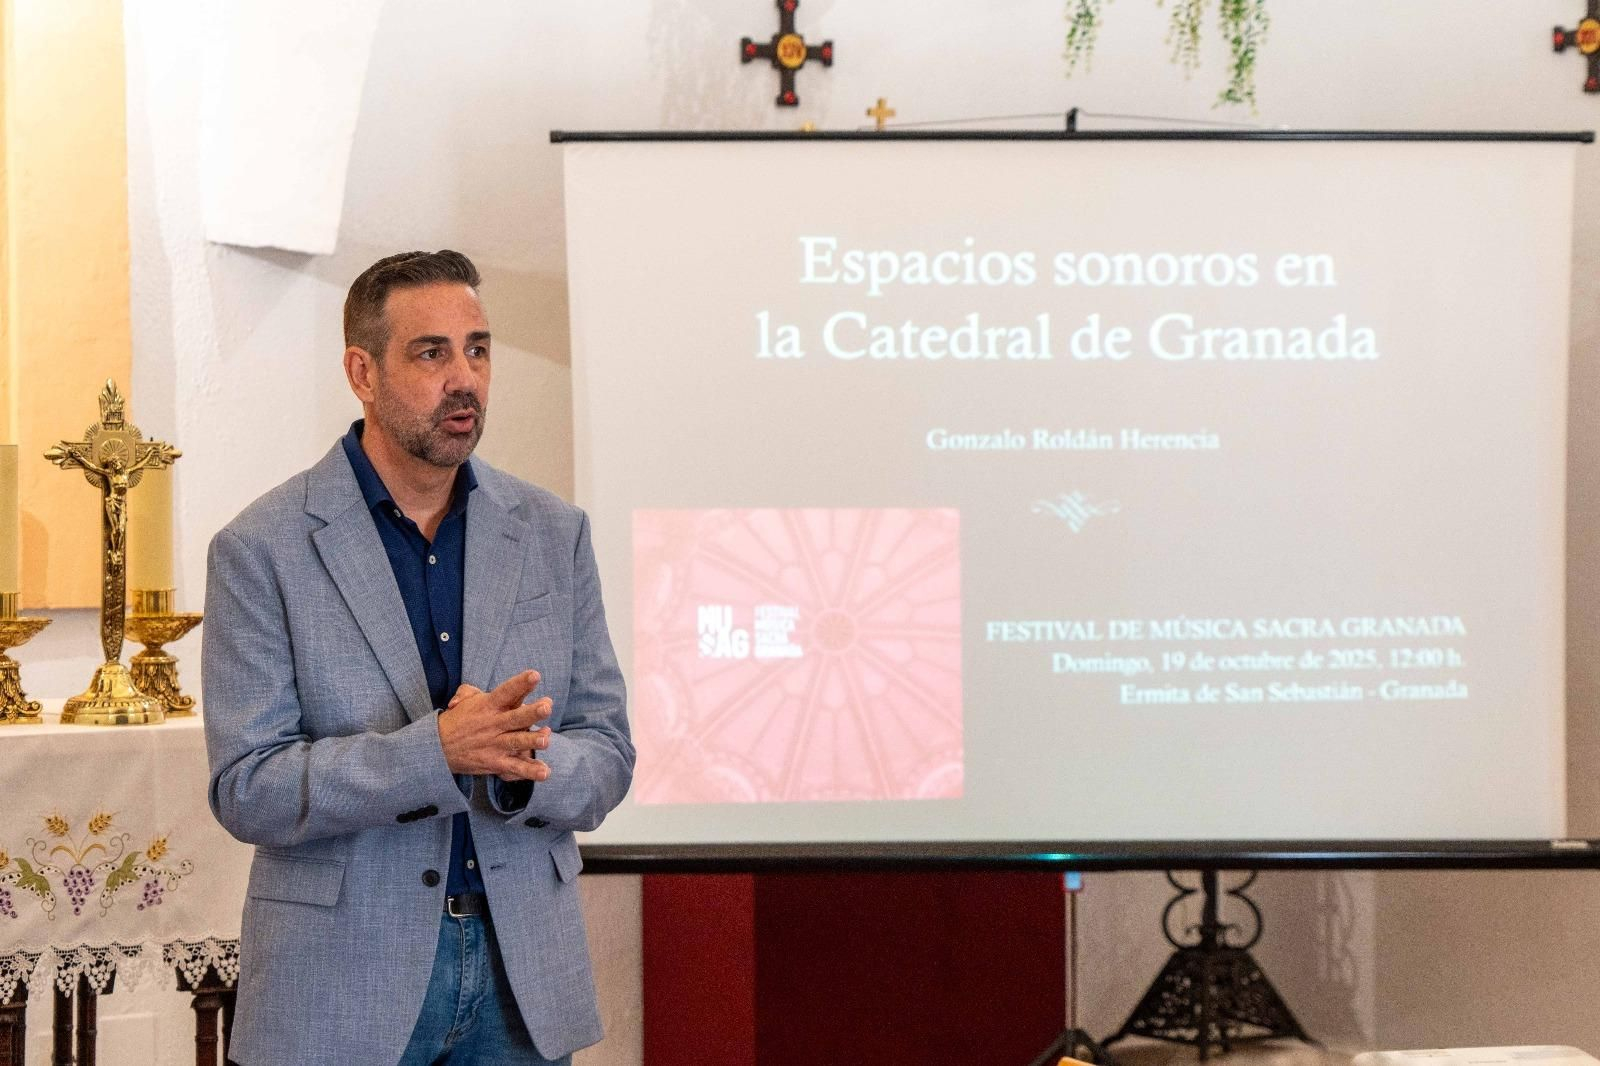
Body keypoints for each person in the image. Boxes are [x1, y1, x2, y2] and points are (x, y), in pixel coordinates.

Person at [202, 250, 633, 1065]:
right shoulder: (262, 548)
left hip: (521, 984)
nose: (464, 377)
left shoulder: (552, 533)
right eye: (431, 353)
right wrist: (431, 756)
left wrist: (517, 763)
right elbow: (247, 789)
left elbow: (608, 756)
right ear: (362, 372)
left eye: (478, 348)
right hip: (338, 985)